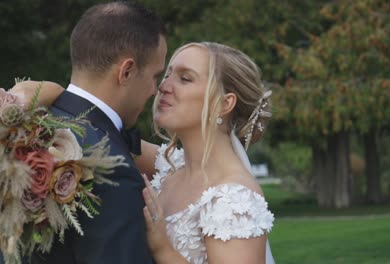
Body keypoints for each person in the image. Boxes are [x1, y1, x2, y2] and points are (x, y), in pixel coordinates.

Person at [11, 42, 275, 263]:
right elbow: (102, 130)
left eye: (184, 78)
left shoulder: (236, 199)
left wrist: (165, 251)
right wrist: (42, 93)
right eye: (167, 75)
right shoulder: (171, 165)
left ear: (225, 103)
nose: (163, 87)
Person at [7, 2, 167, 264]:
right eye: (155, 75)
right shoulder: (113, 169)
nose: (155, 90)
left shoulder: (25, 132)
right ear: (126, 71)